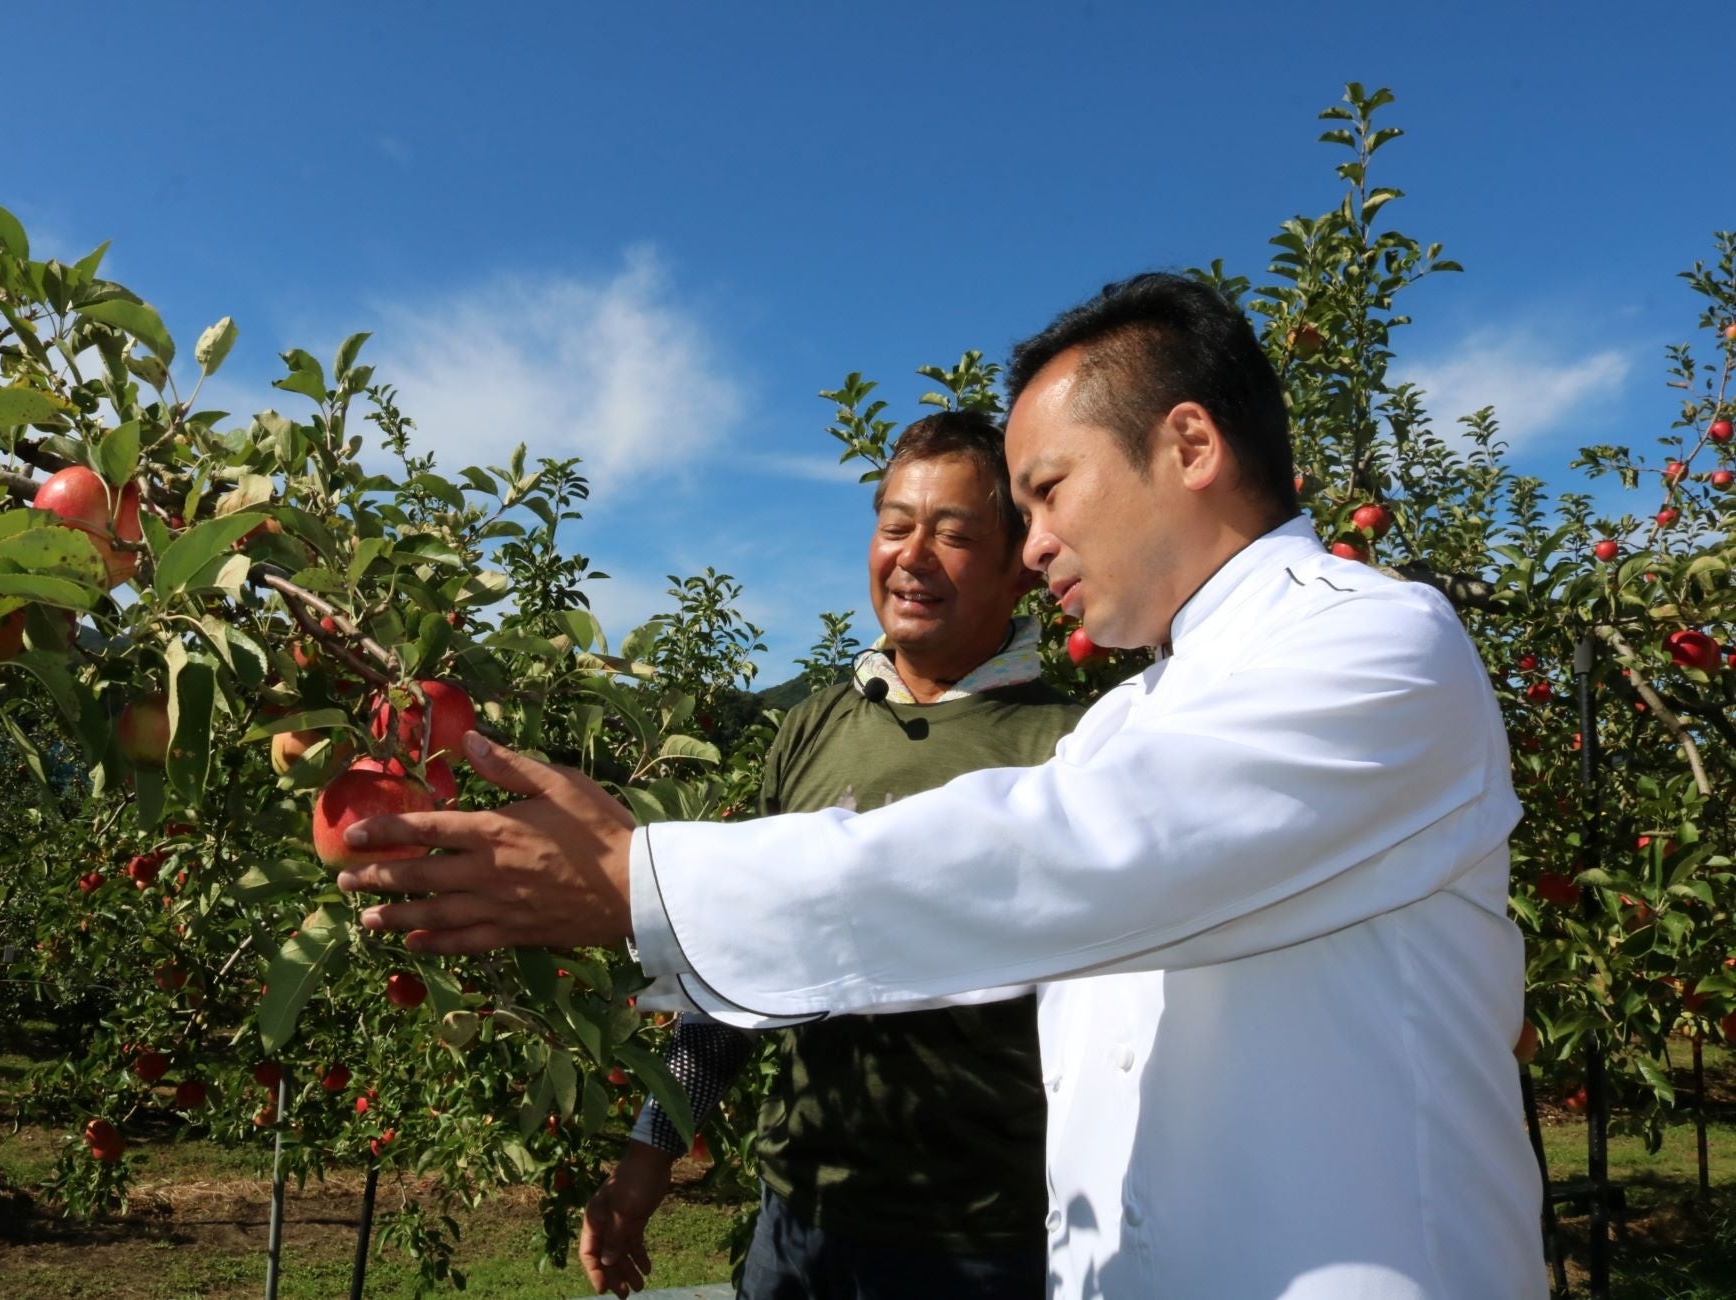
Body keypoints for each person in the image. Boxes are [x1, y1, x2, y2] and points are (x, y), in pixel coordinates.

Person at [335, 273, 1545, 1298]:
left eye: (1047, 493)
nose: (1034, 547)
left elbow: (1066, 852)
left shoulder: (1374, 644)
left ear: (1188, 445)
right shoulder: (1132, 715)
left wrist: (643, 876)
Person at [580, 410, 1084, 1298]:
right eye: (895, 526)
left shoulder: (1072, 746)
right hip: (801, 1222)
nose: (913, 555)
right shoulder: (813, 727)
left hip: (988, 1241)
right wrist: (650, 1153)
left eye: (955, 533)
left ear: (1018, 564)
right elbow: (739, 974)